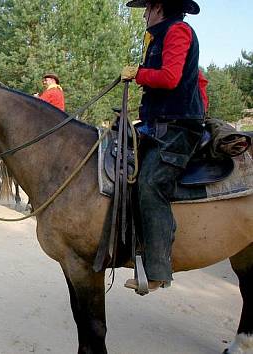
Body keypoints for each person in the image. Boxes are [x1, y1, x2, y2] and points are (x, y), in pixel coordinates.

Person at [120, 0, 204, 292]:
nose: (143, 13)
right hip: (157, 126)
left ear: (158, 7)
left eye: (146, 7)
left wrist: (138, 74)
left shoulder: (178, 30)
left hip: (178, 128)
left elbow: (170, 78)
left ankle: (158, 272)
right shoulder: (160, 36)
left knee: (150, 185)